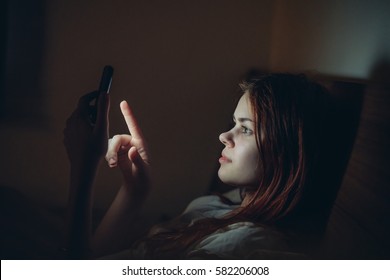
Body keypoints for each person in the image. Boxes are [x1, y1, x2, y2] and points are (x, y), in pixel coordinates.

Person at [63, 73, 334, 259]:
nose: (224, 136)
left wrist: (83, 169)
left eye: (246, 129)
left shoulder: (244, 247)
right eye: (233, 124)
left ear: (288, 152)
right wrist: (135, 191)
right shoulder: (228, 204)